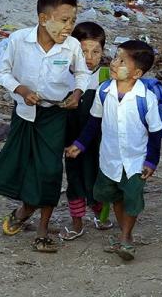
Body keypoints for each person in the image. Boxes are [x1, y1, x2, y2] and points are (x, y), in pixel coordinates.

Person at [0, 0, 90, 253]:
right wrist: (22, 90)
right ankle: (22, 211)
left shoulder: (72, 46)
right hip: (24, 113)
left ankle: (42, 228)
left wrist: (77, 94)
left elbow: (82, 74)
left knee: (50, 170)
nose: (69, 26)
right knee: (21, 167)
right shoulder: (19, 40)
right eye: (64, 20)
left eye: (73, 20)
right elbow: (2, 72)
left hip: (55, 114)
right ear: (44, 19)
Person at [66, 40, 162, 260]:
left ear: (137, 73)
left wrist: (151, 161)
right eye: (116, 57)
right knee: (115, 196)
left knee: (131, 198)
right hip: (109, 159)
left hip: (135, 161)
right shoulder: (103, 91)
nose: (114, 62)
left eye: (121, 60)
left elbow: (156, 133)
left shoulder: (146, 99)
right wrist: (79, 145)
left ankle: (126, 237)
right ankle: (124, 234)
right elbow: (94, 122)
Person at [60, 22, 113, 241]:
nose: (89, 57)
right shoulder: (63, 75)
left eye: (96, 52)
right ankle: (77, 222)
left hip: (98, 140)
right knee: (75, 179)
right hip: (71, 139)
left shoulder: (105, 77)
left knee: (98, 177)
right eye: (83, 52)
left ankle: (100, 214)